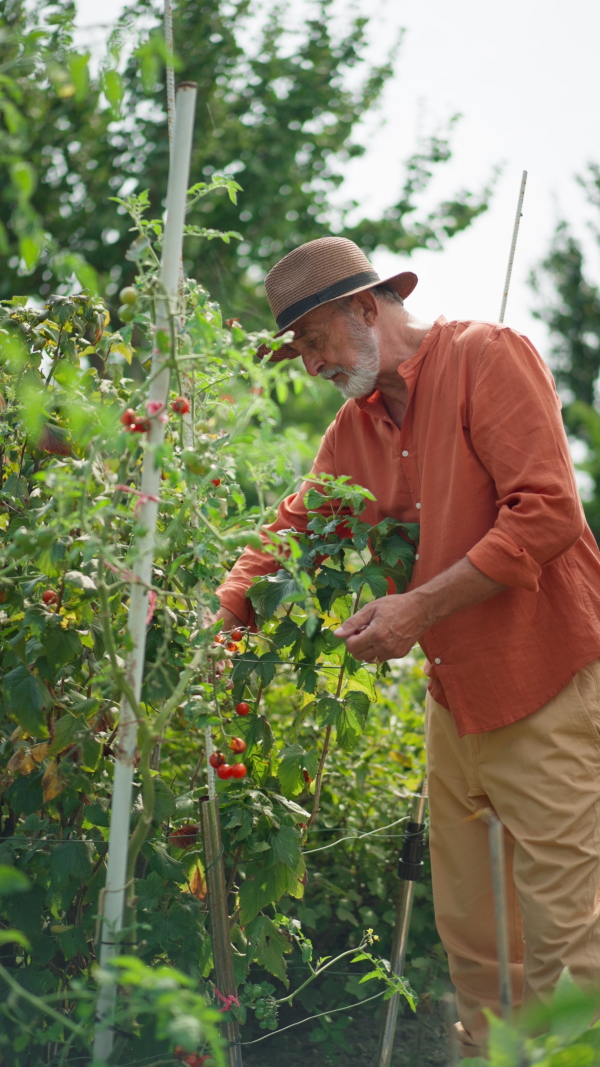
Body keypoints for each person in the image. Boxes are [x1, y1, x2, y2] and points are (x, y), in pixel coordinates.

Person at [216, 235, 600, 1058]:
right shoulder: (353, 433)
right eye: (300, 350)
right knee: (481, 953)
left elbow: (547, 513)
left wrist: (415, 609)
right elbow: (292, 526)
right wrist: (218, 616)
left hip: (549, 684)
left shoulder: (487, 357)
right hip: (456, 702)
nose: (312, 365)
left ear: (366, 307)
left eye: (314, 341)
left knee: (576, 948)